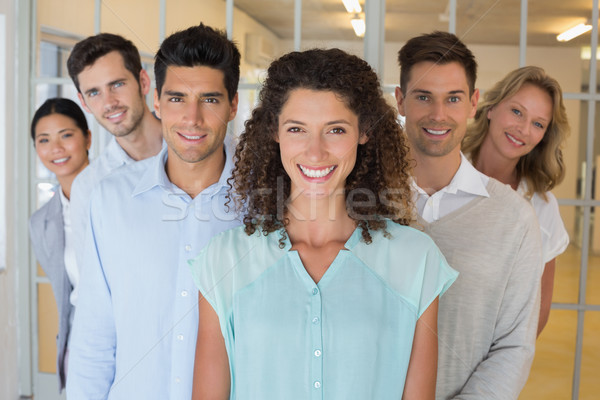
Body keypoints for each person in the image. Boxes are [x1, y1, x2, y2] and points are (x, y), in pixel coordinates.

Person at [190, 48, 458, 400]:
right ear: (275, 132)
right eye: (297, 129)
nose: (315, 152)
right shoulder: (224, 260)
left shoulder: (415, 259)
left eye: (335, 129)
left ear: (363, 132)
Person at [66, 24, 241, 399]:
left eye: (209, 99)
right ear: (157, 100)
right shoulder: (110, 199)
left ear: (233, 105)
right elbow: (94, 336)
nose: (192, 118)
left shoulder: (266, 203)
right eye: (177, 99)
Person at [395, 32, 544, 399]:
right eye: (423, 96)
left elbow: (513, 346)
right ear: (400, 101)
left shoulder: (516, 219)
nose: (438, 114)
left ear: (474, 103)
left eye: (453, 98)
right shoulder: (357, 205)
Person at [463, 66, 570, 336]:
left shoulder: (541, 207)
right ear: (491, 108)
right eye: (517, 111)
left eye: (538, 124)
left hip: (492, 357)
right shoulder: (444, 173)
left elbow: (537, 314)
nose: (523, 129)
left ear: (544, 136)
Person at [66, 33, 163, 284]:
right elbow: (91, 285)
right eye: (94, 92)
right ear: (84, 102)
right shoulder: (89, 187)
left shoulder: (196, 150)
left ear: (143, 82)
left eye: (117, 84)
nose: (109, 103)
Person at [28, 98, 91, 392]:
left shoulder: (119, 198)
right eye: (44, 140)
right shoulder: (41, 223)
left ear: (87, 137)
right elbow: (65, 295)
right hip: (81, 342)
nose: (56, 149)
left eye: (66, 135)